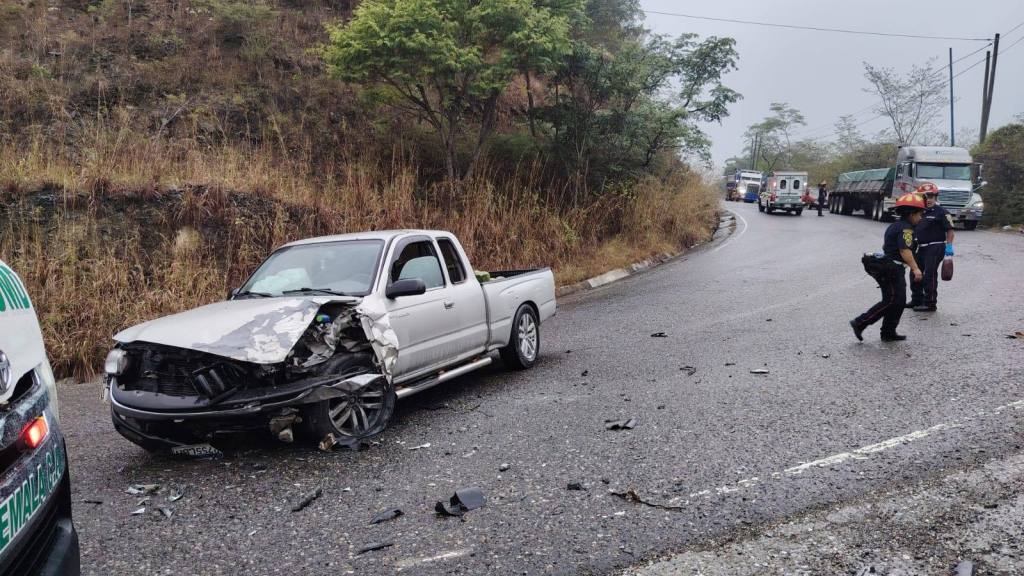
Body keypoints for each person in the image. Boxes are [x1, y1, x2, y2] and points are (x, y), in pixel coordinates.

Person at [850, 193, 925, 342]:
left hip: (891, 268)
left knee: (899, 301)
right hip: (891, 269)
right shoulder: (906, 230)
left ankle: (888, 332)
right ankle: (860, 322)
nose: (921, 218)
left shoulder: (896, 225)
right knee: (892, 300)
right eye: (920, 214)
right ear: (911, 214)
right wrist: (915, 268)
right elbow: (905, 250)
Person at [906, 182, 954, 311]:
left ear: (936, 197)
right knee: (914, 273)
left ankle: (930, 303)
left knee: (929, 274)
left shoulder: (942, 212)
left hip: (935, 247)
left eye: (931, 196)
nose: (929, 199)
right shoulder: (918, 212)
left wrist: (949, 247)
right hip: (920, 247)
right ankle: (917, 300)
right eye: (925, 196)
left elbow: (950, 231)